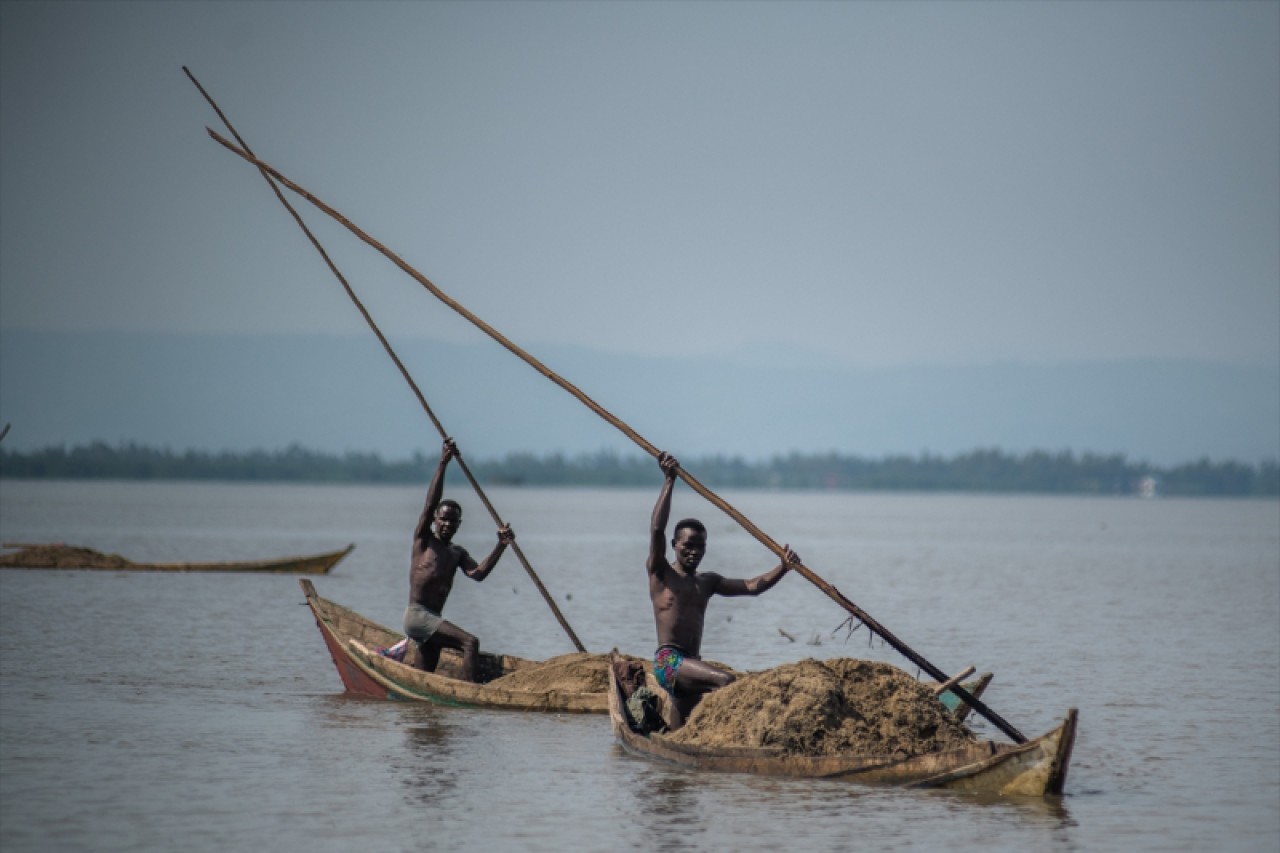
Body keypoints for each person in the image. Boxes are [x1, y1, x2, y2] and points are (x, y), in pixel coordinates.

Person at [646, 451, 798, 728]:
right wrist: (669, 481)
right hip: (669, 663)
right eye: (687, 545)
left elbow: (752, 587)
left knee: (684, 731)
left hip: (692, 664)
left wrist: (783, 568)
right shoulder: (661, 573)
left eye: (700, 546)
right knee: (726, 681)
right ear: (674, 546)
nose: (694, 552)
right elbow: (656, 529)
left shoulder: (707, 582)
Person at [403, 437, 514, 682]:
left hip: (433, 622)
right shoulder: (424, 540)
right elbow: (430, 501)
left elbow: (479, 574)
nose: (446, 524)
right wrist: (443, 462)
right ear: (434, 520)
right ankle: (471, 692)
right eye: (442, 519)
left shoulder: (457, 553)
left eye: (452, 521)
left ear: (458, 525)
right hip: (418, 617)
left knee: (423, 680)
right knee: (470, 642)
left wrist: (501, 545)